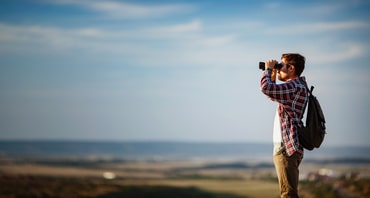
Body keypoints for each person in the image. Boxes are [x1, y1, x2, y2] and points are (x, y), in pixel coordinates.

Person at [260, 53, 308, 198]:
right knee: (288, 192)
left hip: (286, 148)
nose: (279, 68)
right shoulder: (297, 86)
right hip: (287, 146)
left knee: (288, 194)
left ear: (291, 68)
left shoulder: (295, 86)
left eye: (281, 65)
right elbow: (272, 94)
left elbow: (266, 88)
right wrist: (274, 73)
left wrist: (268, 70)